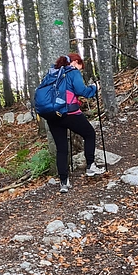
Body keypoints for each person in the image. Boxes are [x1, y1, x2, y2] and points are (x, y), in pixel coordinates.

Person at [45, 52, 105, 193]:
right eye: (80, 66)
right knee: (89, 134)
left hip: (52, 115)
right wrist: (94, 88)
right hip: (69, 113)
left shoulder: (52, 73)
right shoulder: (72, 72)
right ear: (75, 62)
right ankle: (90, 166)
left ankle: (64, 183)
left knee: (61, 149)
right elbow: (82, 91)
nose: (80, 70)